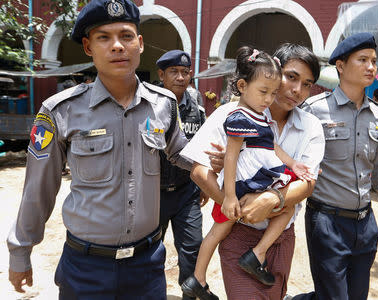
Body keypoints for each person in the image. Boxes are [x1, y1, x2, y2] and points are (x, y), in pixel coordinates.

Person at [7, 0, 191, 298]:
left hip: (147, 264)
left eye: (126, 36)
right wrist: (20, 252)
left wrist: (224, 163)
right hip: (86, 268)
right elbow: (38, 189)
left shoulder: (163, 104)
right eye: (104, 37)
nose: (118, 46)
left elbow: (181, 153)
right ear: (88, 47)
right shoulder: (60, 111)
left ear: (140, 44)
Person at [180, 43, 325, 299]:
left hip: (280, 237)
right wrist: (233, 205)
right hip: (237, 233)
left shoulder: (311, 126)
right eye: (291, 77)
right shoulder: (232, 114)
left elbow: (308, 182)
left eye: (307, 83)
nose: (297, 90)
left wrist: (273, 199)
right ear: (274, 72)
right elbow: (198, 171)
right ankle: (198, 280)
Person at [298, 32, 378, 300]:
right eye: (363, 60)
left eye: (374, 61)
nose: (371, 67)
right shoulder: (314, 110)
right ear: (341, 66)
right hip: (327, 222)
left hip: (365, 225)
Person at [156, 49, 206, 300]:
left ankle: (189, 294)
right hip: (152, 194)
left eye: (185, 72)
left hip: (187, 191)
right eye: (174, 72)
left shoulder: (196, 107)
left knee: (192, 248)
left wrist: (206, 185)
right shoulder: (148, 105)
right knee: (151, 251)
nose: (180, 77)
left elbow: (205, 146)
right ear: (161, 75)